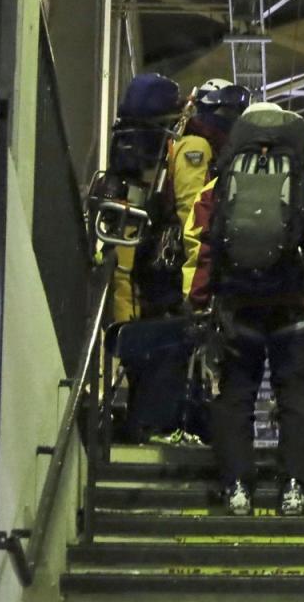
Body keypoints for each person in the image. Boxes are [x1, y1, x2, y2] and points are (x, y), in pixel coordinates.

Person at [182, 102, 304, 515]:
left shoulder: (216, 189)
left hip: (237, 309)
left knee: (235, 397)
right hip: (293, 311)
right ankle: (295, 486)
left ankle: (236, 487)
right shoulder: (303, 184)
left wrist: (197, 304)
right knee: (297, 397)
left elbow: (199, 247)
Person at [119, 78, 251, 444]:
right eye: (227, 111)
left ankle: (173, 421)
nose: (232, 119)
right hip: (174, 264)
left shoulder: (202, 145)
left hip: (173, 264)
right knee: (173, 338)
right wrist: (200, 274)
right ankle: (158, 424)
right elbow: (193, 210)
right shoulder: (196, 145)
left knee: (182, 341)